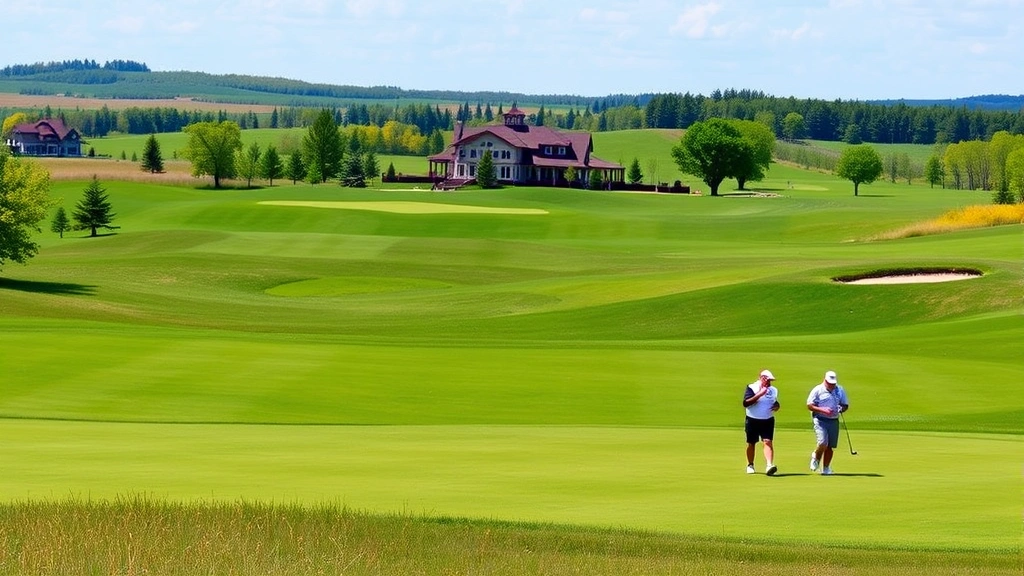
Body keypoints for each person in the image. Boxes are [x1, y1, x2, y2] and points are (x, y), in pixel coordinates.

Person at [807, 370, 850, 475]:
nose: (832, 385)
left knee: (830, 446)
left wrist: (841, 408)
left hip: (834, 420)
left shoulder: (839, 390)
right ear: (824, 380)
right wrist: (823, 410)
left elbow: (845, 405)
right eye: (830, 383)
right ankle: (816, 457)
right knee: (822, 442)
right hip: (820, 419)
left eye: (833, 384)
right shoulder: (817, 390)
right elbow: (809, 405)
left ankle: (826, 468)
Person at [743, 369, 780, 475]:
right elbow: (746, 403)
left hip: (767, 420)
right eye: (767, 380)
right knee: (751, 443)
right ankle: (750, 464)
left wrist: (777, 405)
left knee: (768, 441)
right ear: (762, 378)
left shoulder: (773, 390)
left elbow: (774, 401)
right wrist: (760, 394)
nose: (769, 383)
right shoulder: (752, 387)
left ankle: (769, 465)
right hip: (752, 419)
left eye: (770, 381)